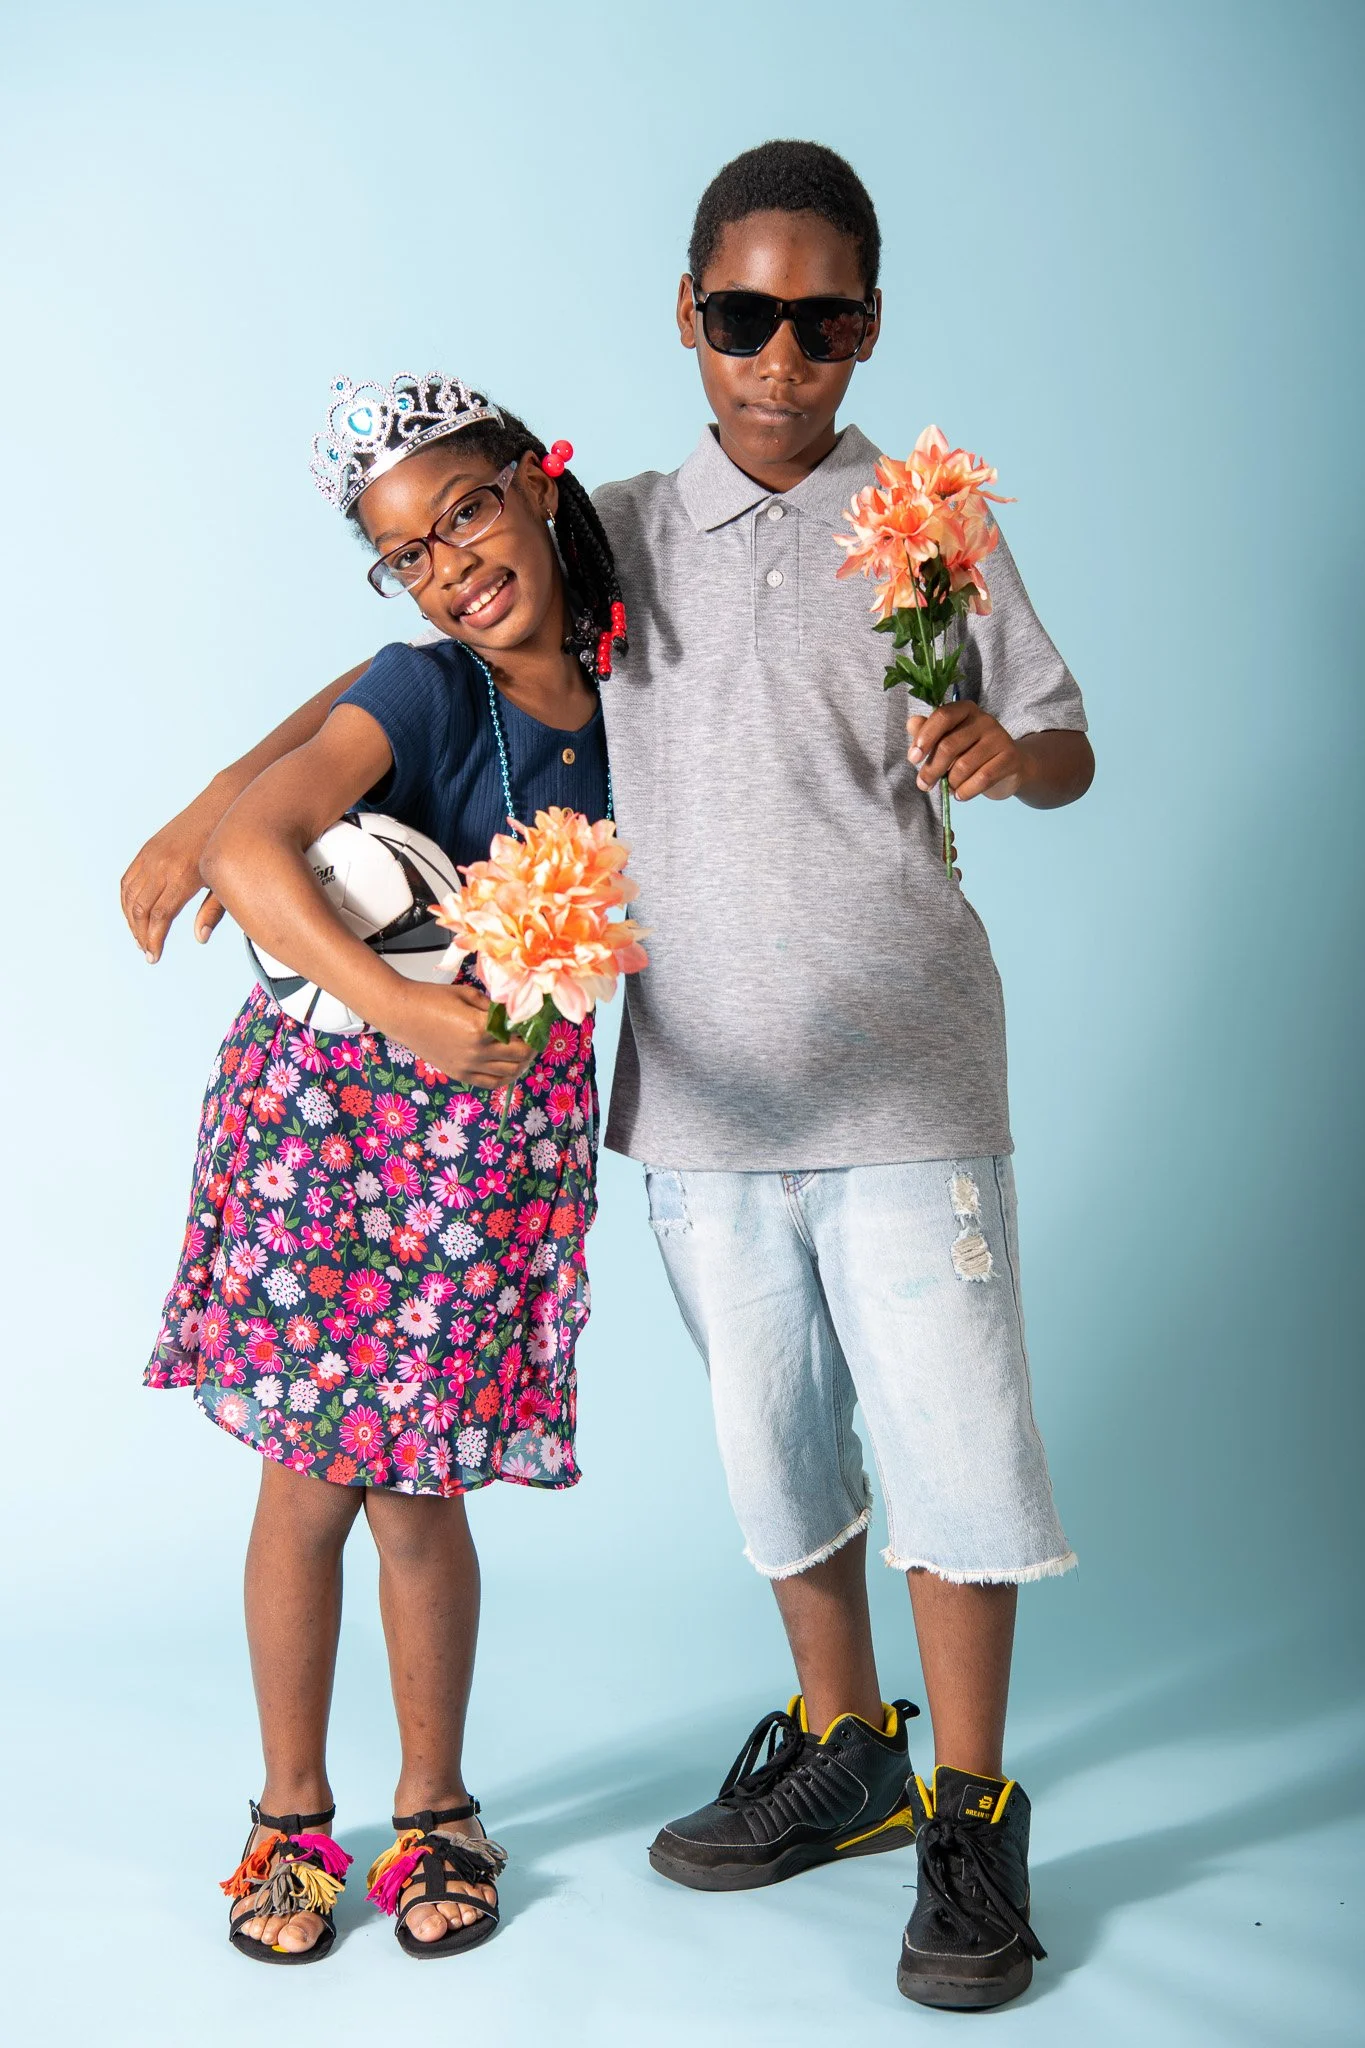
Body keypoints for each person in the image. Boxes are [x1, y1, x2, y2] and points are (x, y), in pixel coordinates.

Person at [123, 142, 1094, 2011]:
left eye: (822, 321)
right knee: (776, 1457)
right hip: (692, 1110)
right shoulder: (619, 528)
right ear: (689, 318)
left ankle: (971, 1818)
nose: (781, 353)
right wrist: (198, 821)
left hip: (893, 1077)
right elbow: (409, 651)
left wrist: (998, 747)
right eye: (745, 315)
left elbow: (1061, 740)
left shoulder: (930, 524)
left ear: (872, 327)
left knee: (954, 1464)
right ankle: (844, 1754)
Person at [140, 374, 625, 1963]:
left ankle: (436, 1810)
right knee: (312, 1477)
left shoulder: (641, 690)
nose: (449, 563)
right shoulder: (425, 691)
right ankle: (291, 1817)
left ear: (537, 482)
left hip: (491, 1145)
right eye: (407, 552)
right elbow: (252, 847)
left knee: (419, 1490)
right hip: (338, 1128)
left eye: (466, 511)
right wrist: (406, 1005)